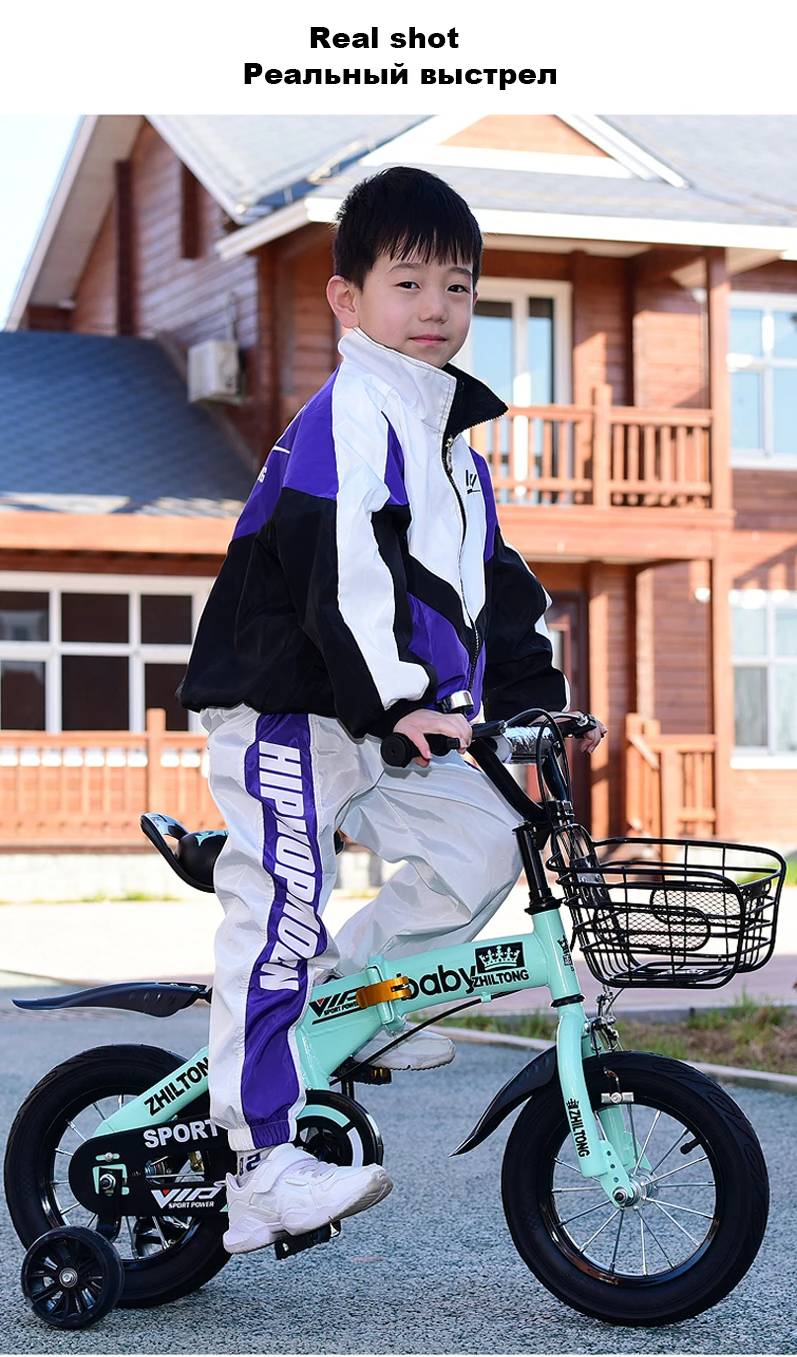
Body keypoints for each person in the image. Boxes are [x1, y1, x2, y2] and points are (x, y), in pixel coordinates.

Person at [178, 165, 606, 1256]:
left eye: (457, 288)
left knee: (483, 839)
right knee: (275, 907)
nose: (434, 308)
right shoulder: (354, 412)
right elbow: (346, 576)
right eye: (407, 282)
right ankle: (259, 1160)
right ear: (346, 300)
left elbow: (490, 593)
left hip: (384, 721)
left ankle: (359, 1002)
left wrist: (531, 705)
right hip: (293, 707)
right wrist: (408, 699)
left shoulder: (449, 443)